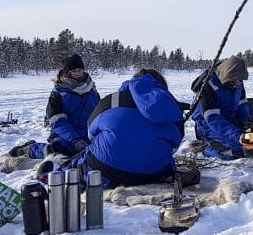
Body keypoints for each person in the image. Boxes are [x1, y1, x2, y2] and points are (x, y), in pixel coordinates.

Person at [51, 68, 186, 188]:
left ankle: (52, 173)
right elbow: (175, 145)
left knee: (77, 166)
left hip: (105, 170)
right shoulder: (170, 105)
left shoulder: (113, 100)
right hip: (154, 173)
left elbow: (91, 133)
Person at [8, 53, 100, 160]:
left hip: (89, 136)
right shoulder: (58, 93)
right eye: (74, 71)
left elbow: (99, 116)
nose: (78, 74)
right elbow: (58, 122)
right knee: (58, 154)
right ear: (67, 73)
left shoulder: (92, 91)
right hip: (65, 137)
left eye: (79, 70)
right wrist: (75, 140)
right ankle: (28, 149)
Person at [190, 56, 252, 159]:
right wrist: (237, 135)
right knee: (234, 152)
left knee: (249, 146)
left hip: (228, 122)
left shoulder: (237, 83)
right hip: (207, 126)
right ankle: (205, 148)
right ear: (227, 76)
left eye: (240, 81)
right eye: (235, 81)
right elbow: (213, 118)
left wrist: (246, 125)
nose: (238, 84)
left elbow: (242, 106)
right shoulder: (208, 86)